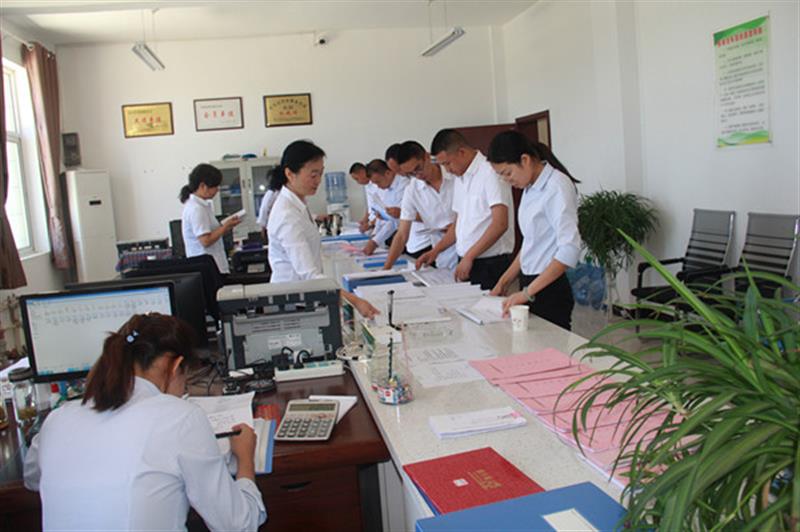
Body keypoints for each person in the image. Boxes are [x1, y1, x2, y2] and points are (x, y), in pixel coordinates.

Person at [23, 314, 267, 531]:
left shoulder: (57, 419)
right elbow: (238, 525)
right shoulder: (180, 417)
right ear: (175, 366)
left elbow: (32, 479)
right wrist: (245, 459)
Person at [267, 140, 380, 318]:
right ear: (290, 174)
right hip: (292, 302)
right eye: (313, 175)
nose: (318, 181)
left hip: (302, 297)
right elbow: (309, 275)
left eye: (320, 174)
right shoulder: (287, 214)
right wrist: (355, 301)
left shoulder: (297, 204)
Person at [487, 131, 581, 331]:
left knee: (550, 347)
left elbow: (569, 249)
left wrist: (527, 293)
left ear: (525, 160)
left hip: (549, 288)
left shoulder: (556, 186)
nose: (506, 180)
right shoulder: (529, 187)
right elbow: (531, 243)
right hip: (531, 283)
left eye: (507, 173)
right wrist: (503, 282)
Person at [417, 129, 514, 289]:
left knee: (487, 305)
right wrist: (436, 251)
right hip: (467, 260)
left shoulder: (490, 172)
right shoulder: (459, 178)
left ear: (461, 152)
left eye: (447, 163)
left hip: (489, 263)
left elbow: (500, 224)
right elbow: (459, 224)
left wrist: (469, 256)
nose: (447, 170)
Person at [383, 140, 457, 270]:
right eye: (411, 174)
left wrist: (460, 226)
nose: (418, 175)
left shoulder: (454, 174)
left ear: (427, 156)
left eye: (418, 168)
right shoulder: (412, 190)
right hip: (443, 255)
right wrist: (386, 268)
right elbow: (401, 235)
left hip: (472, 247)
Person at [179, 163, 240, 274]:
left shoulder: (201, 206)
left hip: (212, 265)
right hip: (207, 268)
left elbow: (209, 233)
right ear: (203, 186)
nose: (217, 190)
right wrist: (224, 227)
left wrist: (226, 226)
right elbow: (205, 241)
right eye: (215, 187)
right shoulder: (196, 209)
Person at [385, 144, 430, 257]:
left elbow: (434, 217)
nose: (400, 173)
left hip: (428, 241)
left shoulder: (415, 181)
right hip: (413, 242)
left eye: (399, 169)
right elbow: (401, 234)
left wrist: (402, 213)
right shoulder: (412, 185)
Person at [361, 159, 409, 256]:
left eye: (378, 182)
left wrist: (375, 241)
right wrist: (374, 235)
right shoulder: (387, 188)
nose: (378, 186)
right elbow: (385, 216)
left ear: (388, 173)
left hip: (409, 236)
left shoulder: (404, 186)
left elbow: (395, 220)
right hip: (396, 235)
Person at [349, 162, 375, 234]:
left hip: (377, 222)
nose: (357, 182)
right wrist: (364, 220)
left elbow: (381, 210)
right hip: (372, 222)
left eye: (357, 179)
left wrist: (370, 224)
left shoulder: (377, 184)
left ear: (362, 172)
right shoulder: (367, 186)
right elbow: (370, 206)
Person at [256, 172, 280, 242]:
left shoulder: (280, 192)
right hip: (271, 226)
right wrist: (263, 228)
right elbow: (264, 210)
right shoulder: (271, 194)